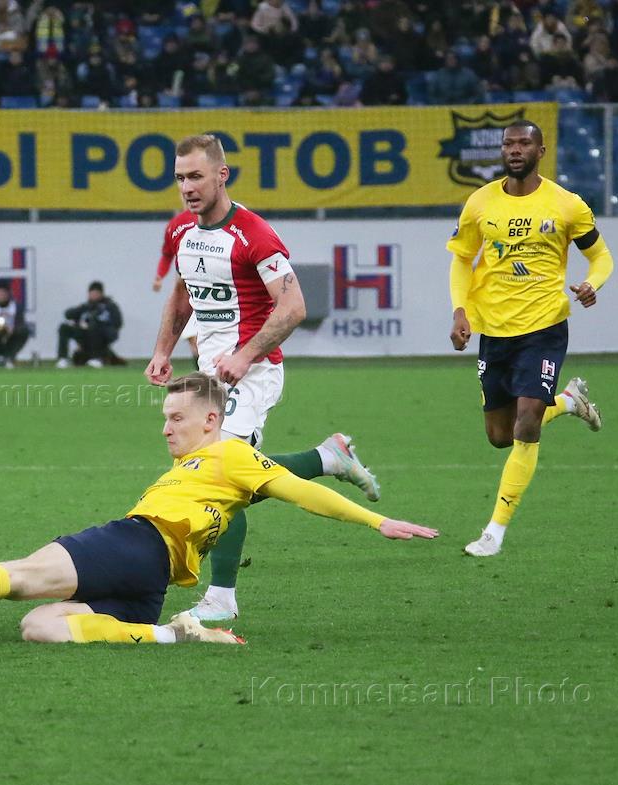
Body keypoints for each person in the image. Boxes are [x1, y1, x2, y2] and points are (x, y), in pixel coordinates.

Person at [0, 373, 439, 645]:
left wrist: (377, 521)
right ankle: (175, 634)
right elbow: (293, 484)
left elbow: (303, 491)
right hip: (152, 583)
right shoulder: (208, 465)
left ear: (211, 421)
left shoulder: (230, 453)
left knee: (20, 576)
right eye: (164, 418)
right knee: (39, 627)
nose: (166, 428)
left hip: (136, 543)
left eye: (177, 418)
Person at [145, 133, 380, 624]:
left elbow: (293, 307)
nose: (187, 187)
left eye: (196, 176)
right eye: (180, 178)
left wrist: (245, 355)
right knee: (217, 473)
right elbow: (183, 294)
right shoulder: (182, 230)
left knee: (219, 475)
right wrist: (163, 350)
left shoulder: (254, 234)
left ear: (221, 175)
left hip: (252, 373)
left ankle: (222, 598)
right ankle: (327, 457)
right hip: (209, 372)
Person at [448, 120, 612, 558]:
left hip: (544, 328)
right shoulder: (480, 202)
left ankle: (494, 532)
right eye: (509, 143)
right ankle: (569, 402)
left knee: (526, 424)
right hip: (494, 330)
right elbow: (462, 259)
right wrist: (460, 309)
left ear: (541, 151)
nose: (515, 149)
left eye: (524, 143)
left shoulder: (567, 204)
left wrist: (593, 283)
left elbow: (600, 255)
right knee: (499, 435)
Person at [153, 232, 197, 364]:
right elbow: (167, 254)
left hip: (215, 300)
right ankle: (203, 372)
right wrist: (159, 276)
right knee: (194, 342)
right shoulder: (177, 228)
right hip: (192, 297)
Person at [56, 281, 123, 368]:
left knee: (95, 327)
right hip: (84, 333)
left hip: (102, 334)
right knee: (64, 328)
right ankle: (63, 358)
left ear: (101, 294)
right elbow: (68, 314)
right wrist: (80, 321)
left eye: (96, 293)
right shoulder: (86, 306)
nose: (93, 296)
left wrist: (95, 324)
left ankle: (97, 358)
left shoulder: (110, 306)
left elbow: (117, 323)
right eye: (91, 293)